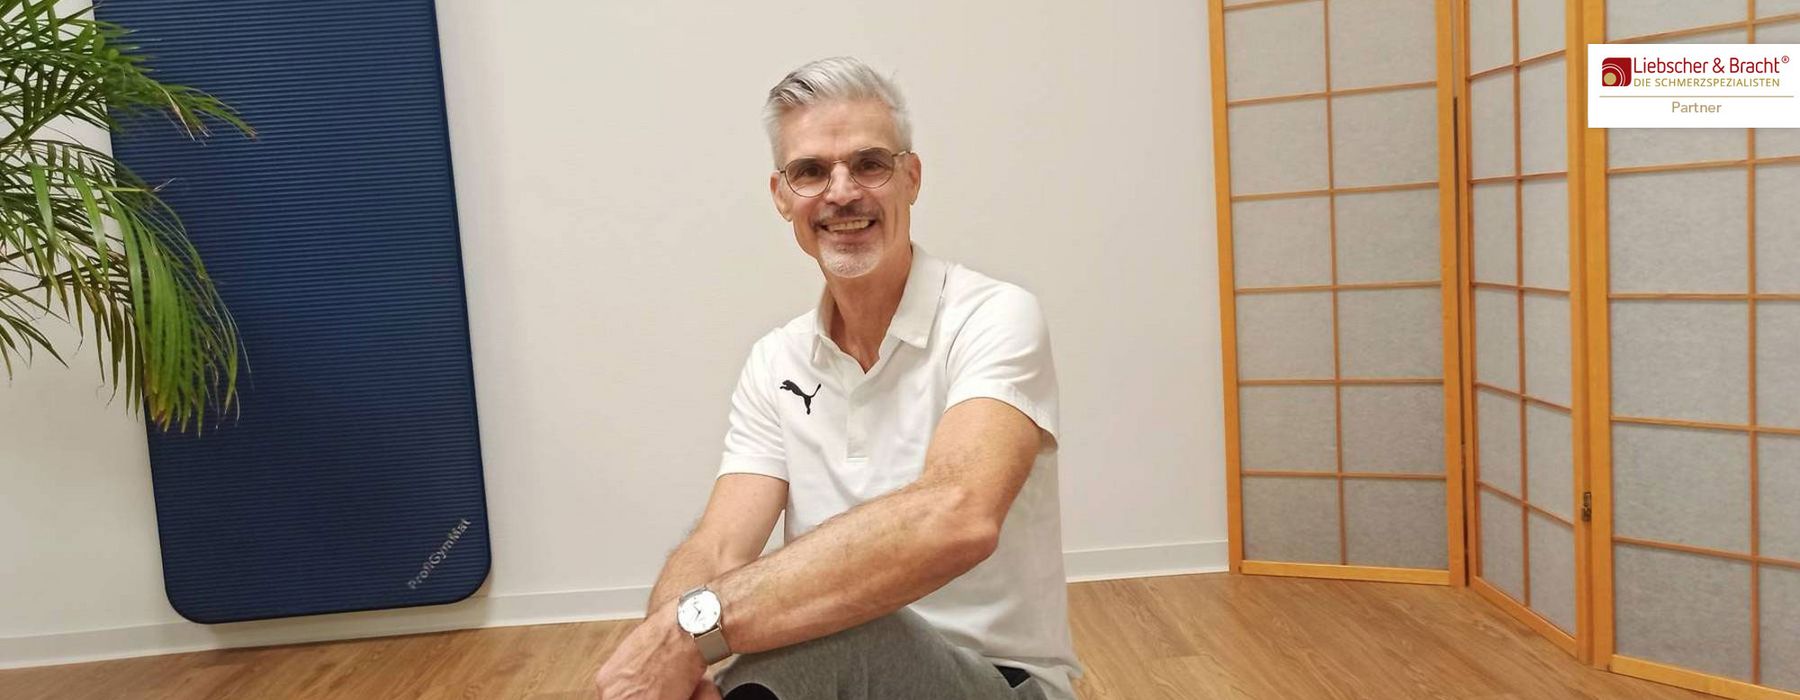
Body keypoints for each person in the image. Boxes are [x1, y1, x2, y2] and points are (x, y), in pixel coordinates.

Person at [593, 56, 1079, 700]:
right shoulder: (775, 361)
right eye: (811, 172)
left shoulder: (994, 316)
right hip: (832, 679)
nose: (842, 192)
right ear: (782, 195)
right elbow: (718, 546)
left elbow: (957, 515)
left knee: (838, 632)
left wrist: (693, 633)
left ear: (911, 177)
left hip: (995, 683)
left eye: (870, 164)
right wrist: (668, 646)